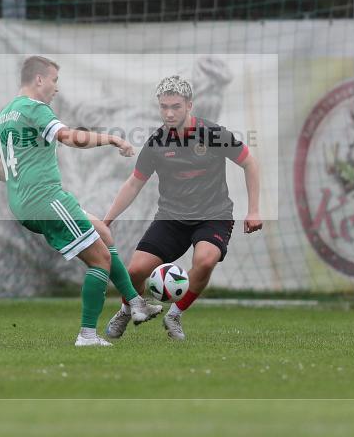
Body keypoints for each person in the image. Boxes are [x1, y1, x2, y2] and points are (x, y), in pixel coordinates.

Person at [0, 55, 162, 347]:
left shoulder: (4, 114)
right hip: (46, 199)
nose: (56, 88)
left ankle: (135, 303)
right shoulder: (35, 108)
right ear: (39, 79)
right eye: (54, 80)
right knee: (100, 260)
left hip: (25, 203)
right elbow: (67, 137)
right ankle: (87, 335)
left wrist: (16, 182)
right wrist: (111, 139)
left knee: (102, 232)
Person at [103, 75, 263, 340]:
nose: (169, 112)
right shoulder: (156, 143)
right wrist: (106, 220)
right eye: (164, 106)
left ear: (190, 105)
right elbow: (133, 184)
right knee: (135, 272)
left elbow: (249, 163)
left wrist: (254, 210)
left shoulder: (213, 134)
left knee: (205, 260)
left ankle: (174, 315)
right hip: (172, 217)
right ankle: (127, 309)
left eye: (175, 106)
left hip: (214, 215)